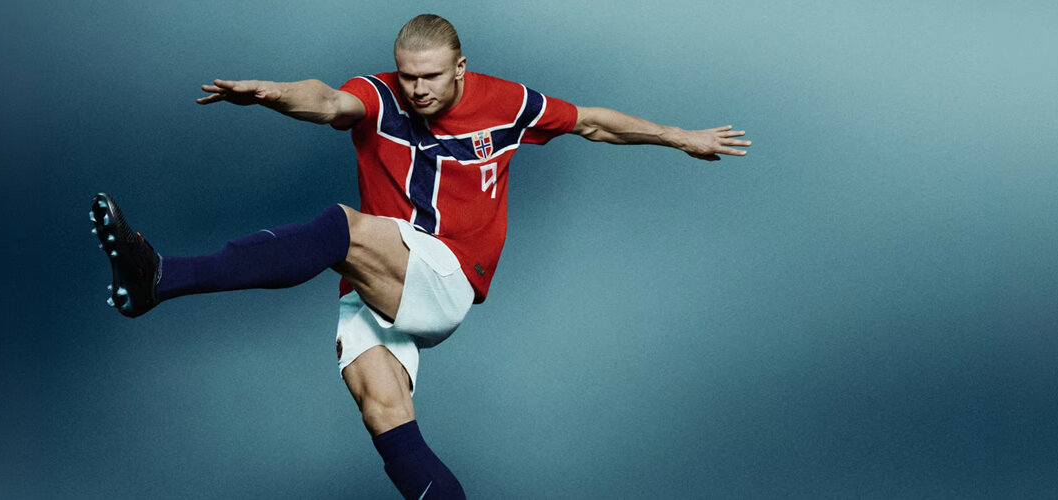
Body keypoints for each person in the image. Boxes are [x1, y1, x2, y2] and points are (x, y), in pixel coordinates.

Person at [91, 14, 751, 499]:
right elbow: (328, 99)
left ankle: (160, 278)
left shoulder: (507, 103)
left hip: (446, 276)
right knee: (384, 412)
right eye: (407, 76)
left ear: (460, 68)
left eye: (431, 76)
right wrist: (273, 95)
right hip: (378, 287)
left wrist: (679, 136)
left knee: (341, 229)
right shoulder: (381, 97)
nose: (417, 90)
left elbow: (594, 122)